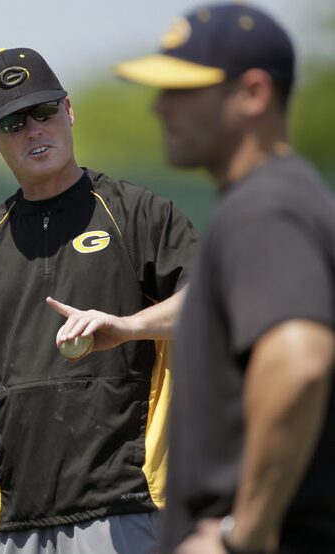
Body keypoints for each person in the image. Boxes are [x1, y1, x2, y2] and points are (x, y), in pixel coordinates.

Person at [0, 47, 199, 553]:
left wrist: (127, 327)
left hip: (126, 502)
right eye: (13, 122)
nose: (34, 130)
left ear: (67, 110)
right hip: (15, 513)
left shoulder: (137, 214)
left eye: (43, 112)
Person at [116, 4, 335, 554]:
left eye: (183, 90)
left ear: (254, 93)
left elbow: (301, 359)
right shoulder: (285, 199)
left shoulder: (265, 208)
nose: (159, 107)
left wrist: (244, 532)